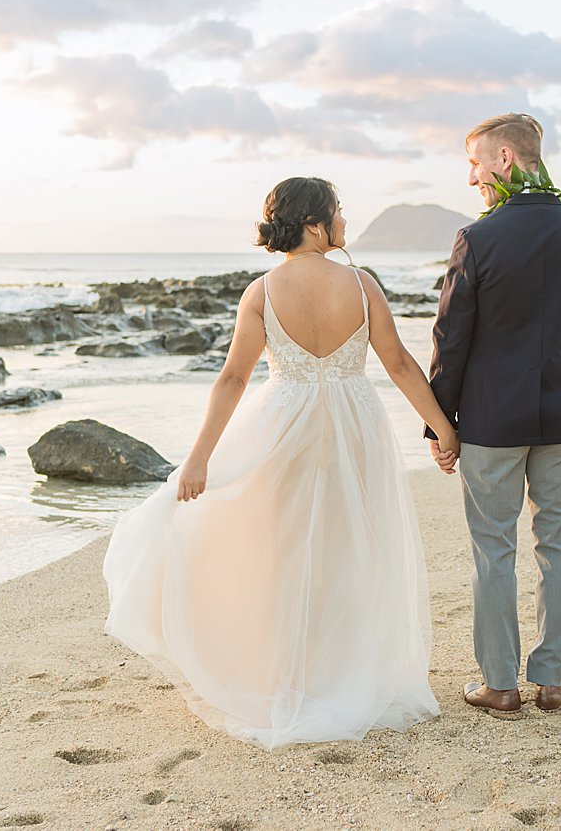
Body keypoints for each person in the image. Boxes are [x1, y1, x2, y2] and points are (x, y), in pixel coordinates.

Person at [102, 176, 452, 750]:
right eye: (338, 212)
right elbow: (400, 365)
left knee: (282, 553)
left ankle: (290, 679)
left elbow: (234, 378)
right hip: (353, 426)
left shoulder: (261, 290)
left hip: (282, 427)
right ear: (316, 224)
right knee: (348, 551)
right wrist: (443, 430)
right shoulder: (363, 286)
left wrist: (198, 461)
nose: (345, 222)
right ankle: (340, 676)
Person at [426, 113, 561, 717]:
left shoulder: (478, 239)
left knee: (494, 550)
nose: (470, 178)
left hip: (489, 423)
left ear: (505, 161)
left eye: (474, 163)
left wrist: (441, 423)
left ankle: (499, 685)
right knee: (559, 546)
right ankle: (554, 681)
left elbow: (450, 340)